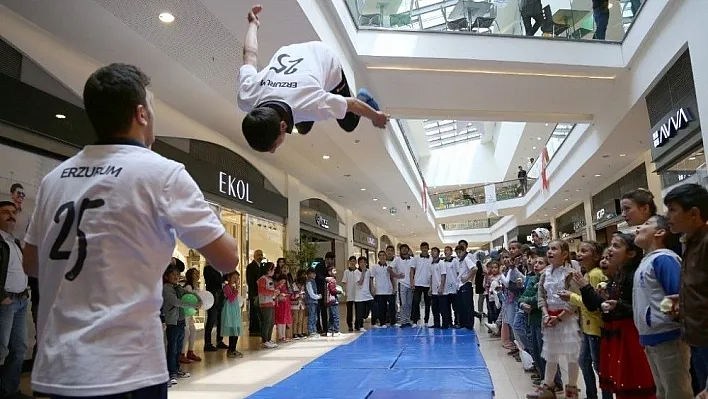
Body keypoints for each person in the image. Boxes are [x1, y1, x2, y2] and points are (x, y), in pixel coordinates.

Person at [21, 63, 240, 398]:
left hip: (59, 367)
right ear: (141, 113)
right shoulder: (162, 173)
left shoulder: (55, 179)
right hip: (127, 368)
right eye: (151, 106)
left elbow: (31, 264)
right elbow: (227, 258)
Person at [237, 5, 389, 153]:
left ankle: (364, 95)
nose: (273, 152)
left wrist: (376, 117)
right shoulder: (247, 96)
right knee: (303, 128)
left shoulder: (314, 105)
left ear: (283, 126)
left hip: (325, 58)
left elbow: (352, 104)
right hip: (290, 53)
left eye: (274, 146)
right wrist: (253, 24)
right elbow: (250, 55)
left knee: (348, 124)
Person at [632, 215, 692, 399]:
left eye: (646, 224)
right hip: (652, 337)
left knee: (677, 392)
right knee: (663, 392)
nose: (637, 229)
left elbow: (677, 298)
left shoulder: (664, 259)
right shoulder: (647, 261)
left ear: (660, 232)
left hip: (668, 337)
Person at [664, 184, 708, 398]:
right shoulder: (689, 243)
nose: (667, 216)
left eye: (673, 209)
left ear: (694, 213)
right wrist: (683, 299)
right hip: (696, 338)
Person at [0, 200, 31, 399]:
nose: (11, 215)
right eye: (5, 212)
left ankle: (9, 391)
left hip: (21, 301)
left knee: (19, 348)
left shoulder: (15, 241)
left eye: (13, 212)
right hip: (6, 303)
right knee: (1, 349)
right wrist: (2, 297)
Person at [162, 265, 199, 387]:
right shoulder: (167, 288)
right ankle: (171, 372)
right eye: (173, 275)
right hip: (172, 322)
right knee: (172, 348)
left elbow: (189, 293)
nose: (176, 277)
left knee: (179, 348)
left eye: (178, 275)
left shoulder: (179, 288)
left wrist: (199, 301)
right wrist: (191, 305)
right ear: (167, 276)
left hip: (181, 320)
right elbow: (175, 302)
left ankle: (177, 369)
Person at [181, 268, 202, 363]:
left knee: (193, 330)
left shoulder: (195, 286)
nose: (197, 275)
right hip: (185, 313)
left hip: (190, 312)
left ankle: (190, 351)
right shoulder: (188, 287)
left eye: (197, 273)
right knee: (186, 332)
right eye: (195, 273)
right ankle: (181, 354)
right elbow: (187, 300)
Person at [222, 271, 244, 359]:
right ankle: (231, 350)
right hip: (229, 310)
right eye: (234, 278)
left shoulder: (233, 287)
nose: (236, 280)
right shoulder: (227, 287)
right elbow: (230, 298)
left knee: (236, 329)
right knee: (232, 330)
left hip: (234, 309)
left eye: (237, 278)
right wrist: (236, 290)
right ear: (229, 278)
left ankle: (233, 349)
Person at [257, 262, 277, 348]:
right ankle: (264, 340)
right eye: (273, 269)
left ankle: (268, 339)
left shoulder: (269, 279)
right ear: (269, 270)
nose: (274, 271)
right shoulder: (262, 279)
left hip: (271, 302)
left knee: (271, 322)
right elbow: (262, 291)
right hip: (265, 303)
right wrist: (273, 292)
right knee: (267, 322)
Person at [354, 256, 374, 332]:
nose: (362, 264)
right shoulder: (356, 272)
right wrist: (363, 272)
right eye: (361, 262)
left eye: (364, 262)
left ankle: (374, 322)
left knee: (374, 308)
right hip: (359, 296)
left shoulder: (368, 271)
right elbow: (360, 282)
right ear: (358, 263)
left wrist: (372, 292)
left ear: (366, 263)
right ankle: (360, 326)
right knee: (359, 313)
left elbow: (370, 282)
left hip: (368, 295)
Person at [246, 250, 264, 337]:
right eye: (258, 255)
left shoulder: (262, 266)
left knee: (259, 312)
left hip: (261, 293)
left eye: (261, 255)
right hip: (254, 293)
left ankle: (259, 329)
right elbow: (250, 281)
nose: (260, 256)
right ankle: (253, 330)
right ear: (254, 256)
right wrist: (254, 293)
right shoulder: (250, 266)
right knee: (254, 312)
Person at [342, 256, 358, 332]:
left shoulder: (358, 271)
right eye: (351, 261)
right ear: (349, 262)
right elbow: (344, 282)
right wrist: (345, 292)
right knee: (349, 311)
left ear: (356, 262)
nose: (352, 262)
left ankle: (357, 324)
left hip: (358, 294)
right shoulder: (346, 271)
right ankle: (350, 325)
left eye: (354, 261)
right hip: (349, 294)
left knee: (358, 310)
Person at [305, 268, 321, 337]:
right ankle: (310, 331)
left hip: (314, 302)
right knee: (311, 317)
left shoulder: (313, 281)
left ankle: (314, 330)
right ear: (309, 274)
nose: (315, 275)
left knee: (315, 317)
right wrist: (318, 297)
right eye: (313, 273)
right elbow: (311, 294)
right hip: (310, 302)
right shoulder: (308, 282)